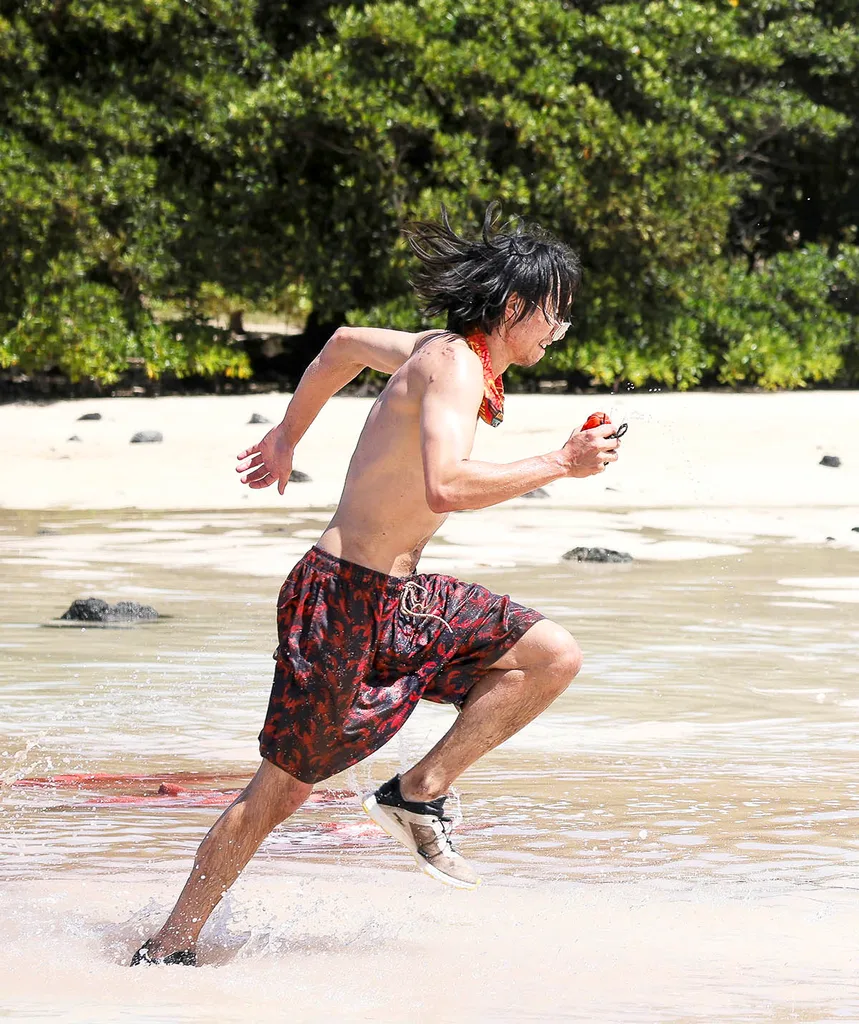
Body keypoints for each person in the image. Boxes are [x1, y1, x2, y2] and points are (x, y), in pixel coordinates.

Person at [131, 204, 622, 966]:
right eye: (553, 315)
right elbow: (446, 486)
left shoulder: (443, 352)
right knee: (280, 794)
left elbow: (341, 346)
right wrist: (561, 462)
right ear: (515, 308)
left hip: (401, 597)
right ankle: (169, 947)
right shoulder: (455, 366)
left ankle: (417, 792)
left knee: (548, 655)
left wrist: (288, 433)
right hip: (337, 603)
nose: (558, 331)